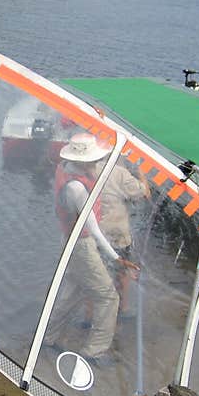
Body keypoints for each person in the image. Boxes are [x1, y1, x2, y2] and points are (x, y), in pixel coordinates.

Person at [54, 132, 135, 358]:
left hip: (70, 240)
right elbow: (94, 229)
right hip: (81, 244)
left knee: (73, 291)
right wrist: (116, 258)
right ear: (85, 161)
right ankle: (95, 352)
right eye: (93, 160)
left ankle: (49, 337)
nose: (97, 163)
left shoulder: (64, 169)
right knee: (108, 296)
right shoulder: (76, 189)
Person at [99, 159, 150, 317]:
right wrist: (141, 172)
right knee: (122, 270)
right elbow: (145, 193)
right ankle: (123, 308)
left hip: (95, 230)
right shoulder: (120, 173)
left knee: (98, 271)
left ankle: (92, 313)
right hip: (117, 231)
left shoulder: (91, 169)